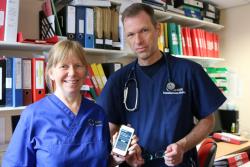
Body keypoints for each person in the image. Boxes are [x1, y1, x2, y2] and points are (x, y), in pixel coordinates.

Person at [97, 3, 226, 167]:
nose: (138, 40)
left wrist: (182, 145)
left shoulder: (188, 71)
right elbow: (110, 128)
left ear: (157, 29)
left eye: (144, 30)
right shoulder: (118, 80)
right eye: (131, 34)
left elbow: (208, 119)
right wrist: (123, 150)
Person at [2, 40, 143, 167]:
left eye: (78, 66)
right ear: (51, 72)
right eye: (64, 66)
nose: (72, 73)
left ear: (86, 71)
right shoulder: (33, 115)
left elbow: (102, 161)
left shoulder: (97, 113)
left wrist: (116, 159)